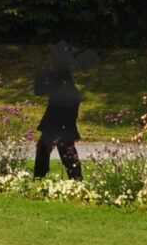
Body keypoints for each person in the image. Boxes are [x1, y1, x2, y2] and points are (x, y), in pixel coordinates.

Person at [31, 42, 98, 180]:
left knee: (60, 149)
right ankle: (71, 178)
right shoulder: (61, 71)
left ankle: (43, 177)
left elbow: (44, 89)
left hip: (60, 115)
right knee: (53, 148)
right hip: (60, 115)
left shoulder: (60, 71)